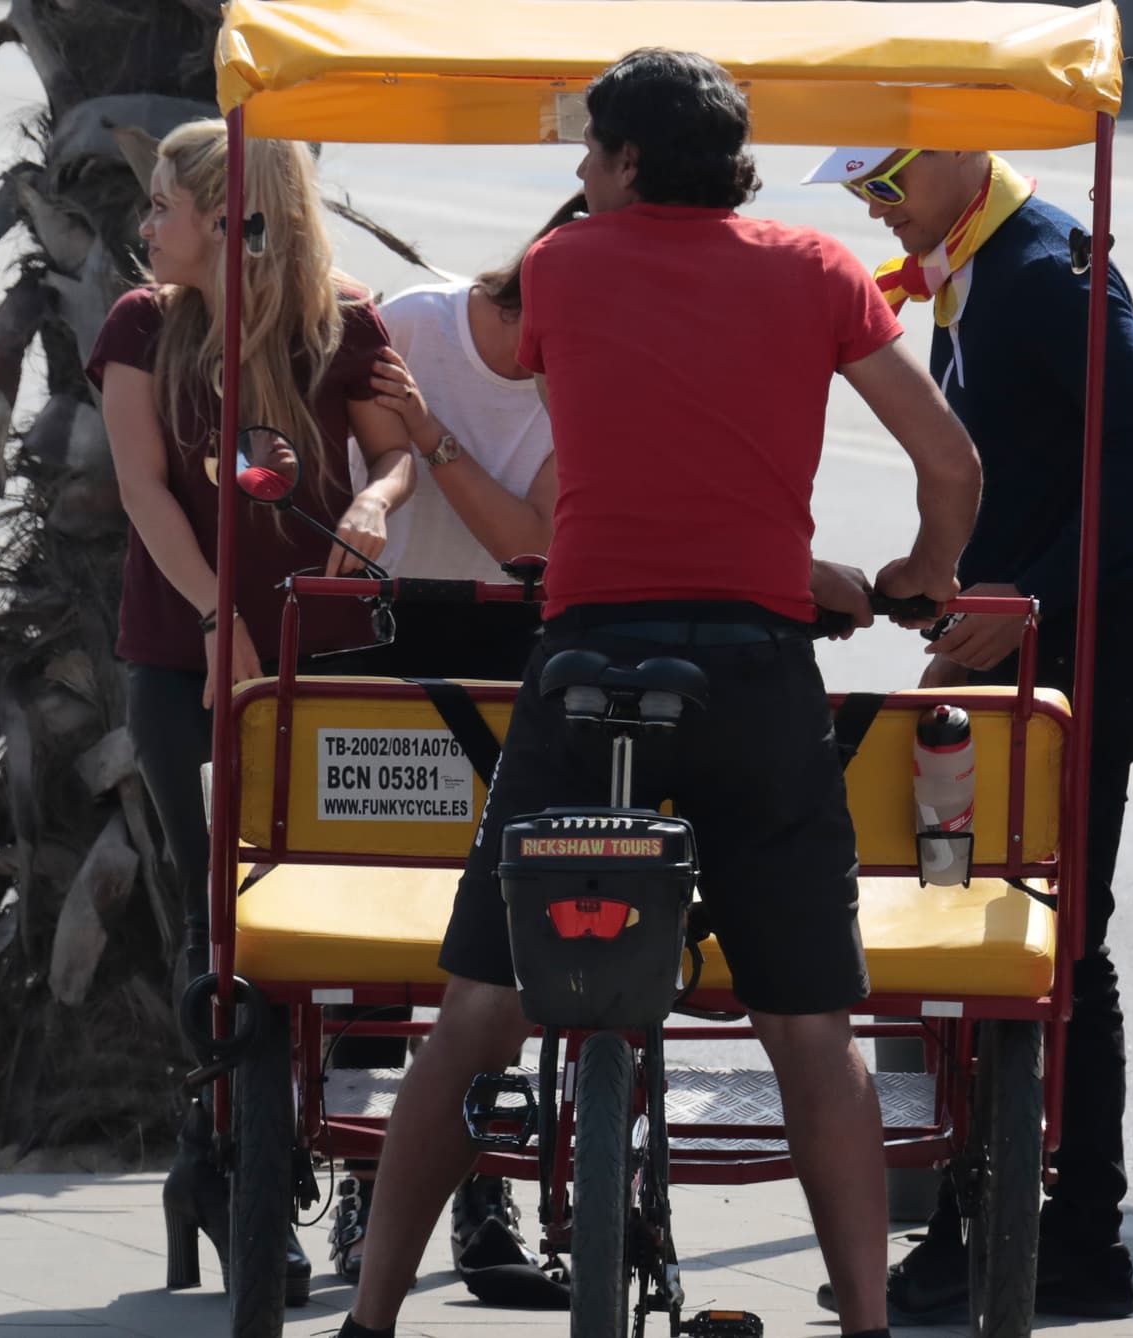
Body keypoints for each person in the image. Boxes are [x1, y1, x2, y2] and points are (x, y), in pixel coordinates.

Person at [336, 49, 983, 1338]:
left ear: (627, 161)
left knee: (473, 1014)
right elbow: (949, 463)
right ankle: (861, 1320)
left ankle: (367, 1321)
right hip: (750, 675)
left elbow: (517, 355)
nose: (578, 176)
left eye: (589, 154)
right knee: (809, 1029)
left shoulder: (567, 267)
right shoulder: (817, 270)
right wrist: (920, 572)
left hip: (586, 665)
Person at [805, 145, 1133, 1322]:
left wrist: (1022, 597)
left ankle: (1077, 1245)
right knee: (983, 935)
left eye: (884, 185)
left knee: (1058, 945)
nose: (875, 210)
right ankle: (980, 1228)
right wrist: (955, 597)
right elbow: (1012, 473)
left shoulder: (1039, 268)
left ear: (958, 159)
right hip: (1032, 626)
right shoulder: (969, 262)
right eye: (860, 194)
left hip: (1098, 631)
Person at [86, 118, 415, 1305]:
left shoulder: (341, 320)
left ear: (229, 218)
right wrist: (222, 616)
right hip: (186, 661)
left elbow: (393, 453)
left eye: (165, 205)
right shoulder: (141, 326)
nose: (148, 225)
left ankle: (362, 1171)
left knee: (360, 911)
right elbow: (140, 488)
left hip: (328, 664)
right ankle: (223, 1171)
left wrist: (378, 500)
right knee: (211, 916)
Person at [324, 195, 586, 1299]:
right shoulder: (415, 326)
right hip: (385, 622)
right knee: (370, 918)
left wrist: (435, 439)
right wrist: (412, 450)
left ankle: (482, 1189)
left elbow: (535, 543)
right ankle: (359, 1183)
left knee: (498, 932)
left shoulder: (586, 374)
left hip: (515, 634)